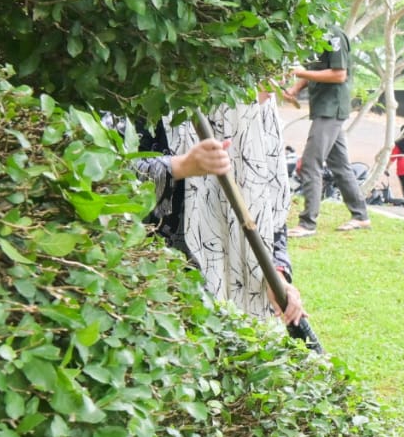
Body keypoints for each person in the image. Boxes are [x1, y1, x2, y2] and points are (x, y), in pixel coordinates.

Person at [121, 97, 307, 328]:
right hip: (166, 288)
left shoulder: (265, 111)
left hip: (243, 303)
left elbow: (271, 209)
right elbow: (111, 174)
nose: (273, 87)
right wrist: (180, 167)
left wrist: (277, 273)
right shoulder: (161, 98)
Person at [285, 26, 371, 237]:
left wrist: (297, 71)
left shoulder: (334, 34)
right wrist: (296, 88)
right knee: (339, 165)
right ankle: (360, 216)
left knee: (310, 163)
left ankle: (307, 223)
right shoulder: (312, 32)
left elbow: (339, 74)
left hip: (331, 109)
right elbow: (315, 69)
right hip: (322, 107)